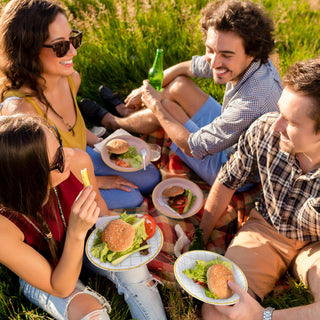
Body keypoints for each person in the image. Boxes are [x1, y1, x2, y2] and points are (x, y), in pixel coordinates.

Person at [82, 0, 282, 185]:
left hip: (232, 171)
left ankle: (112, 122)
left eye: (226, 55)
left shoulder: (252, 102)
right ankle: (127, 113)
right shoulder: (251, 62)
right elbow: (190, 67)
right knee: (178, 85)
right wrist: (145, 89)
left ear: (251, 52)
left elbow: (193, 147)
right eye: (210, 49)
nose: (215, 61)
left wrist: (157, 106)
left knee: (167, 109)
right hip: (232, 134)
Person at [0, 114, 167, 320]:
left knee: (136, 272)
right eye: (58, 159)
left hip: (87, 244)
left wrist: (118, 236)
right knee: (92, 313)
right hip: (48, 272)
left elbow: (100, 207)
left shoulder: (78, 161)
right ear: (31, 181)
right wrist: (76, 233)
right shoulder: (4, 226)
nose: (69, 155)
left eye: (60, 144)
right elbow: (59, 287)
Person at [0, 0, 160, 210]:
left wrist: (103, 144)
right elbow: (39, 182)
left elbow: (72, 128)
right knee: (134, 197)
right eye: (60, 46)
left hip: (81, 157)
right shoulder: (21, 112)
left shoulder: (70, 78)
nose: (73, 52)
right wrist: (97, 182)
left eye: (73, 39)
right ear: (28, 50)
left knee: (151, 177)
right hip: (59, 179)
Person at [198, 57, 320, 320]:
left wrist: (264, 316)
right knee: (216, 310)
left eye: (292, 122)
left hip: (317, 245)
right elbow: (227, 179)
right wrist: (201, 236)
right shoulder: (265, 129)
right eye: (280, 112)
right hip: (266, 229)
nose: (277, 125)